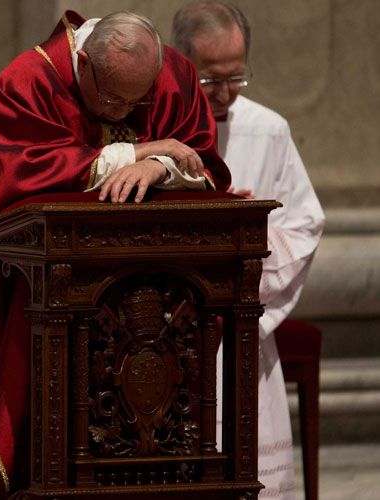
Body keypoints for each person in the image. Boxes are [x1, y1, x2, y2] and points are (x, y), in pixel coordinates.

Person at [0, 10, 231, 499]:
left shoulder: (169, 77)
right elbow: (22, 173)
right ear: (83, 61)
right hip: (30, 291)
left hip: (147, 303)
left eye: (137, 100)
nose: (126, 112)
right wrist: (138, 152)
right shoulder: (26, 83)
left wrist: (163, 166)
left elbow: (201, 159)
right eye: (114, 99)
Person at [172, 2, 326, 498]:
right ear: (181, 64)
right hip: (168, 327)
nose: (224, 93)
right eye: (209, 81)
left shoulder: (268, 129)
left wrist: (247, 273)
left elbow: (303, 223)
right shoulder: (156, 129)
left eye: (237, 77)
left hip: (240, 324)